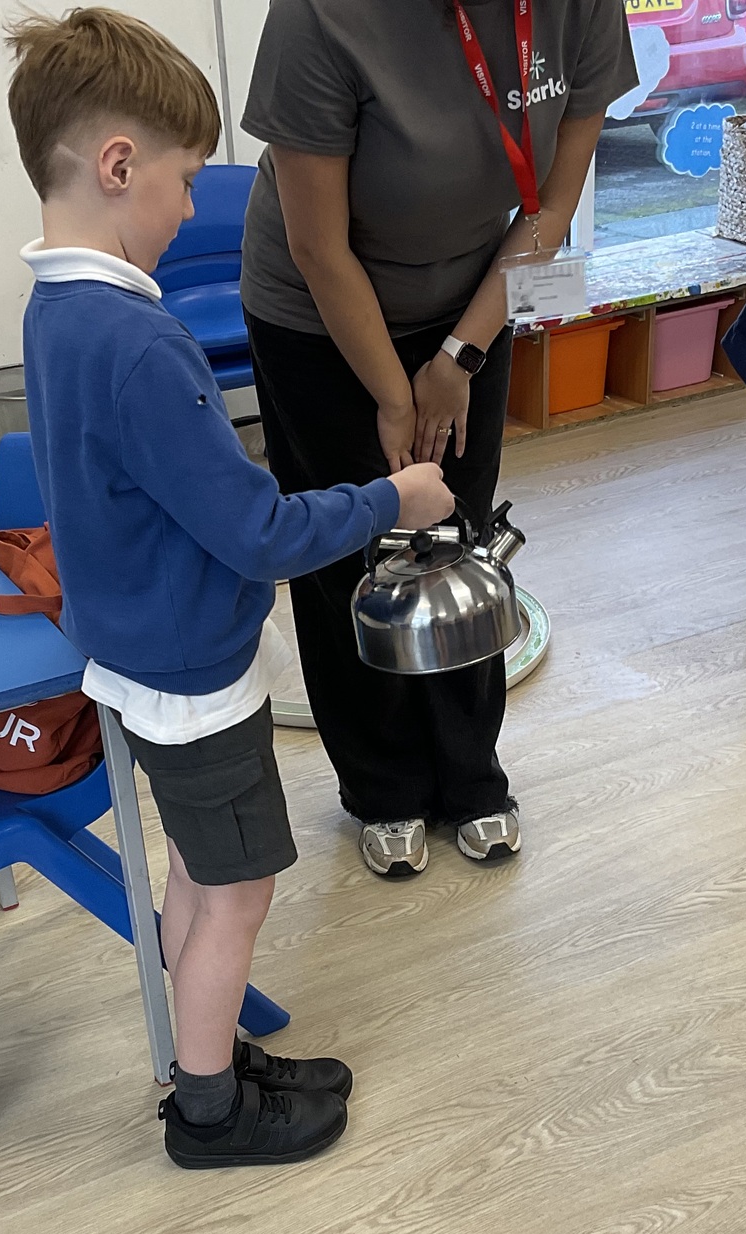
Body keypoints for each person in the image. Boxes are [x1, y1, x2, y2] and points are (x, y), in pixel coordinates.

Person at [5, 10, 456, 1168]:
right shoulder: (137, 344)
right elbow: (257, 532)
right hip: (193, 677)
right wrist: (390, 499)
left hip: (133, 650)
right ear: (118, 166)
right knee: (238, 890)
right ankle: (206, 1110)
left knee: (195, 876)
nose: (187, 209)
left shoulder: (58, 312)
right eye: (183, 180)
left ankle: (198, 1052)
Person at [240, 0, 636, 878]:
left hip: (472, 302)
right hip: (320, 313)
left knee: (461, 539)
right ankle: (381, 784)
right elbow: (317, 246)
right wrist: (394, 394)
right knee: (353, 549)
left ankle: (469, 772)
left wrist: (459, 356)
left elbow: (553, 203)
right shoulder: (323, 17)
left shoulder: (579, 8)